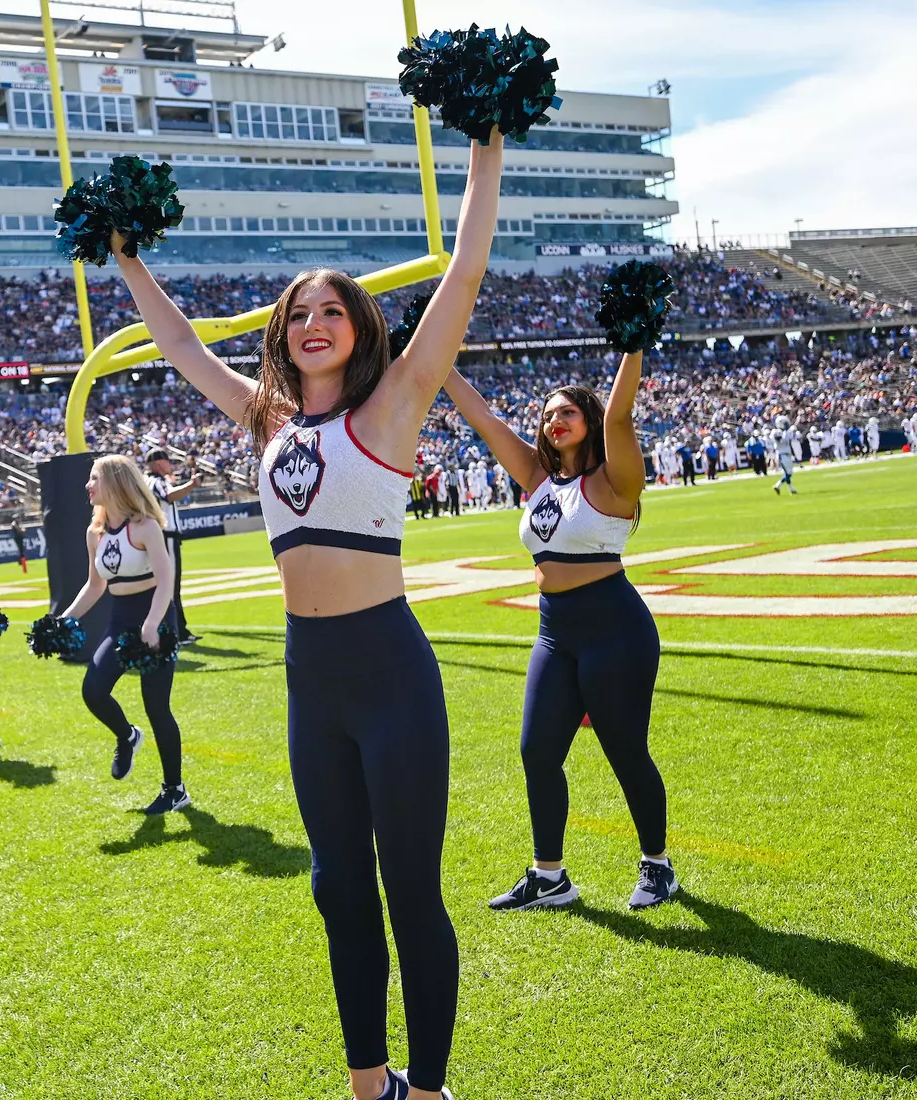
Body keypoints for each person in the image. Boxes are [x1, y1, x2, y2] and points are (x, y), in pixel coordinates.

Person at [108, 129, 505, 1100]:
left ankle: (433, 1086)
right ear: (283, 334)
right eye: (299, 313)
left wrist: (485, 152)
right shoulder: (268, 420)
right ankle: (370, 1082)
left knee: (411, 890)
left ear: (361, 329)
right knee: (337, 886)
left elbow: (463, 269)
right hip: (310, 677)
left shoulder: (395, 403)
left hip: (389, 671)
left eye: (333, 309)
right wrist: (126, 258)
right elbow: (182, 346)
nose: (314, 321)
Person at [443, 346, 676, 913]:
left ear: (588, 421)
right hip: (554, 632)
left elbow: (619, 415)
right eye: (548, 415)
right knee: (537, 751)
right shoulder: (538, 477)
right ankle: (549, 876)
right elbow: (485, 421)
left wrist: (633, 345)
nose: (554, 421)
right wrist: (439, 362)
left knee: (625, 752)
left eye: (566, 412)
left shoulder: (615, 478)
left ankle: (658, 866)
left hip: (614, 629)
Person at [57, 455, 188, 813]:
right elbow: (94, 586)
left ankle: (174, 789)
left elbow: (166, 582)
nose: (88, 485)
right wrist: (64, 620)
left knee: (157, 707)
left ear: (115, 482)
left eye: (94, 478)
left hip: (156, 619)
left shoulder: (145, 527)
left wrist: (152, 625)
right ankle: (127, 736)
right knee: (94, 690)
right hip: (120, 621)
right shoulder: (94, 532)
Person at [144, 448, 200, 644]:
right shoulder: (155, 481)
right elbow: (168, 496)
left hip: (163, 537)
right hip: (166, 537)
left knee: (168, 586)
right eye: (167, 461)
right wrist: (191, 485)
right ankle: (176, 632)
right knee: (170, 585)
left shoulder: (153, 481)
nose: (170, 464)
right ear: (159, 463)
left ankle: (176, 630)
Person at [772, 426, 798, 495]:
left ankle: (779, 486)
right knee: (788, 473)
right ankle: (790, 489)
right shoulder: (777, 442)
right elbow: (780, 441)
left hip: (786, 456)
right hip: (783, 456)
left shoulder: (784, 438)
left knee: (789, 473)